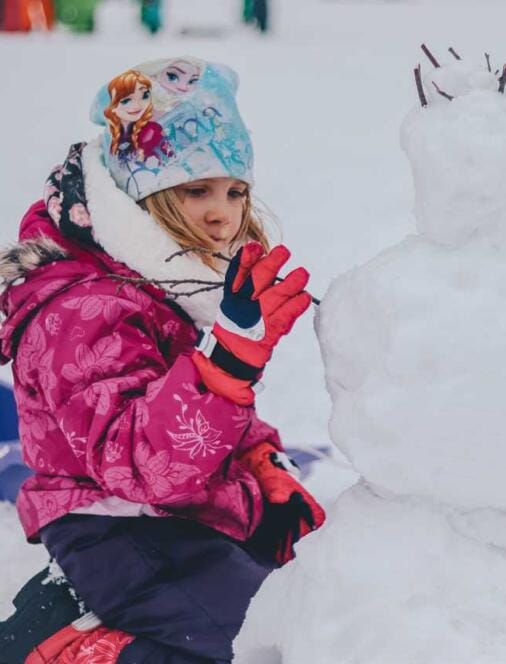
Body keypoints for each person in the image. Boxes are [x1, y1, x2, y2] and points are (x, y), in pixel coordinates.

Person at [0, 56, 325, 663]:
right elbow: (135, 466)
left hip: (186, 509)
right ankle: (78, 650)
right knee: (268, 644)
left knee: (314, 593)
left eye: (235, 191)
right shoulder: (84, 308)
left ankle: (71, 611)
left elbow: (181, 402)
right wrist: (228, 365)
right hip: (118, 528)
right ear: (137, 192)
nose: (221, 212)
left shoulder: (161, 282)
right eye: (196, 188)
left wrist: (260, 457)